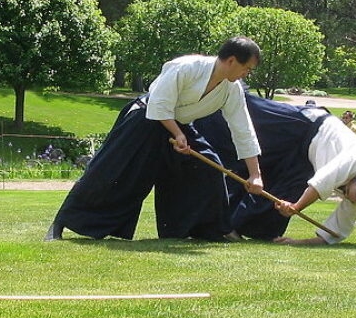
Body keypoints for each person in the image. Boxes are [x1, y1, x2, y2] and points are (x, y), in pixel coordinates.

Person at [44, 37, 264, 242]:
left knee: (208, 167)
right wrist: (178, 134)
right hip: (145, 119)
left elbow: (242, 129)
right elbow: (158, 104)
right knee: (111, 171)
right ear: (232, 60)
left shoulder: (231, 90)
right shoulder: (187, 67)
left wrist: (255, 175)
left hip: (179, 126)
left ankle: (211, 229)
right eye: (247, 68)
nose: (247, 74)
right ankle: (61, 223)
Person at [194, 95, 356, 245]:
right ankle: (212, 98)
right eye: (346, 190)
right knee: (250, 115)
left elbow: (333, 235)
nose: (344, 194)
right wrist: (297, 207)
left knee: (274, 204)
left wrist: (297, 242)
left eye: (347, 197)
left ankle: (232, 226)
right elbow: (322, 182)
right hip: (305, 125)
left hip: (305, 159)